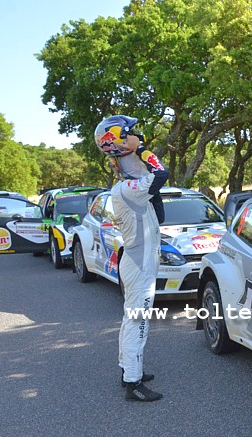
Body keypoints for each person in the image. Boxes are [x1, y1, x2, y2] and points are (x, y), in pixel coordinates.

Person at [95, 115, 169, 402]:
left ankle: (128, 368)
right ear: (121, 147)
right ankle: (133, 384)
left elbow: (159, 214)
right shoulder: (127, 190)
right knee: (138, 322)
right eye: (131, 135)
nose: (139, 137)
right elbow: (161, 173)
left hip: (138, 262)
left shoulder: (133, 189)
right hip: (139, 266)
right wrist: (142, 150)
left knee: (130, 319)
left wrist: (134, 148)